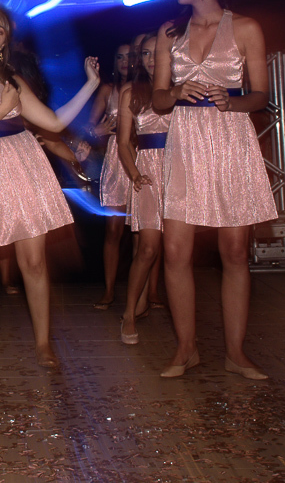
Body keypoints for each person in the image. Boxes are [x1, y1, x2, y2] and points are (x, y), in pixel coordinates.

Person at [0, 4, 100, 370]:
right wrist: (1, 111)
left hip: (22, 170)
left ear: (5, 42)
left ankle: (42, 344)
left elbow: (52, 120)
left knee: (34, 263)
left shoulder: (13, 81)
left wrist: (91, 86)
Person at [153, 0, 277, 380]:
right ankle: (186, 348)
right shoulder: (169, 34)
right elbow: (157, 101)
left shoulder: (245, 28)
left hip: (230, 142)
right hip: (185, 143)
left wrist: (233, 100)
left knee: (235, 251)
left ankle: (236, 352)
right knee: (174, 251)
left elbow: (260, 95)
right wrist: (176, 91)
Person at [117, 34, 168, 345]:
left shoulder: (180, 89)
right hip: (147, 171)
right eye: (146, 53)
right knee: (147, 247)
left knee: (175, 250)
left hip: (181, 171)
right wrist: (135, 174)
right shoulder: (130, 92)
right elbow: (123, 143)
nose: (151, 59)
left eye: (157, 53)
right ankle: (128, 314)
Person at [88, 42, 132, 309]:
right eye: (120, 57)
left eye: (130, 57)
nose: (125, 61)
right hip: (117, 160)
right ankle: (109, 290)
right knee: (114, 229)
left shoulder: (149, 88)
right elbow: (88, 128)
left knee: (147, 232)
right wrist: (97, 132)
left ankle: (151, 293)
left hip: (145, 156)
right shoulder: (108, 90)